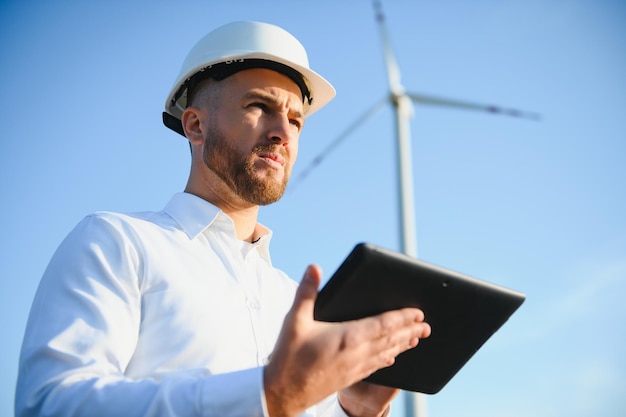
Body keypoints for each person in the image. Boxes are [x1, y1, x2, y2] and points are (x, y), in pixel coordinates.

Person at [15, 21, 431, 417]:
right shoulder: (117, 243)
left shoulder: (293, 302)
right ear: (195, 125)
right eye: (259, 106)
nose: (282, 133)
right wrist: (268, 395)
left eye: (295, 120)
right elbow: (52, 404)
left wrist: (352, 409)